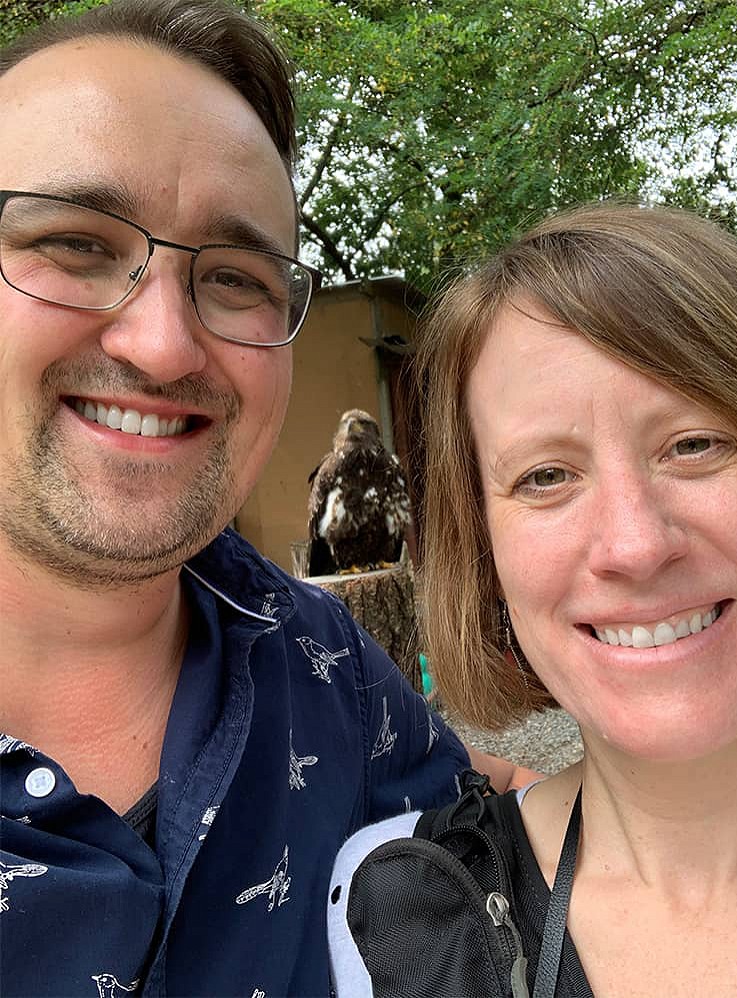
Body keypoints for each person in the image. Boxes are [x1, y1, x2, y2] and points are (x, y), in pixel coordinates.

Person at [0, 3, 530, 994]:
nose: (160, 344)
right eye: (72, 243)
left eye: (236, 276)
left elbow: (487, 819)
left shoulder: (329, 667)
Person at [329, 202, 737, 996]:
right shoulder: (402, 926)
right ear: (484, 555)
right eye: (545, 476)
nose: (636, 545)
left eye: (696, 443)